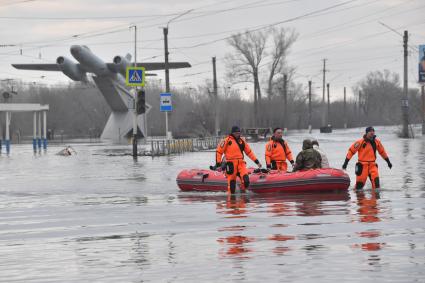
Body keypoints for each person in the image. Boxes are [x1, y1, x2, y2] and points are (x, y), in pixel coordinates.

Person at [216, 126, 262, 194]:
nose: (238, 134)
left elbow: (249, 152)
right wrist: (218, 164)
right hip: (231, 165)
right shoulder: (226, 140)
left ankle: (243, 194)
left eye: (239, 133)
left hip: (241, 164)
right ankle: (232, 201)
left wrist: (257, 162)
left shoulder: (242, 141)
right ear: (232, 133)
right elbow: (219, 152)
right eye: (236, 133)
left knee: (246, 180)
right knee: (232, 185)